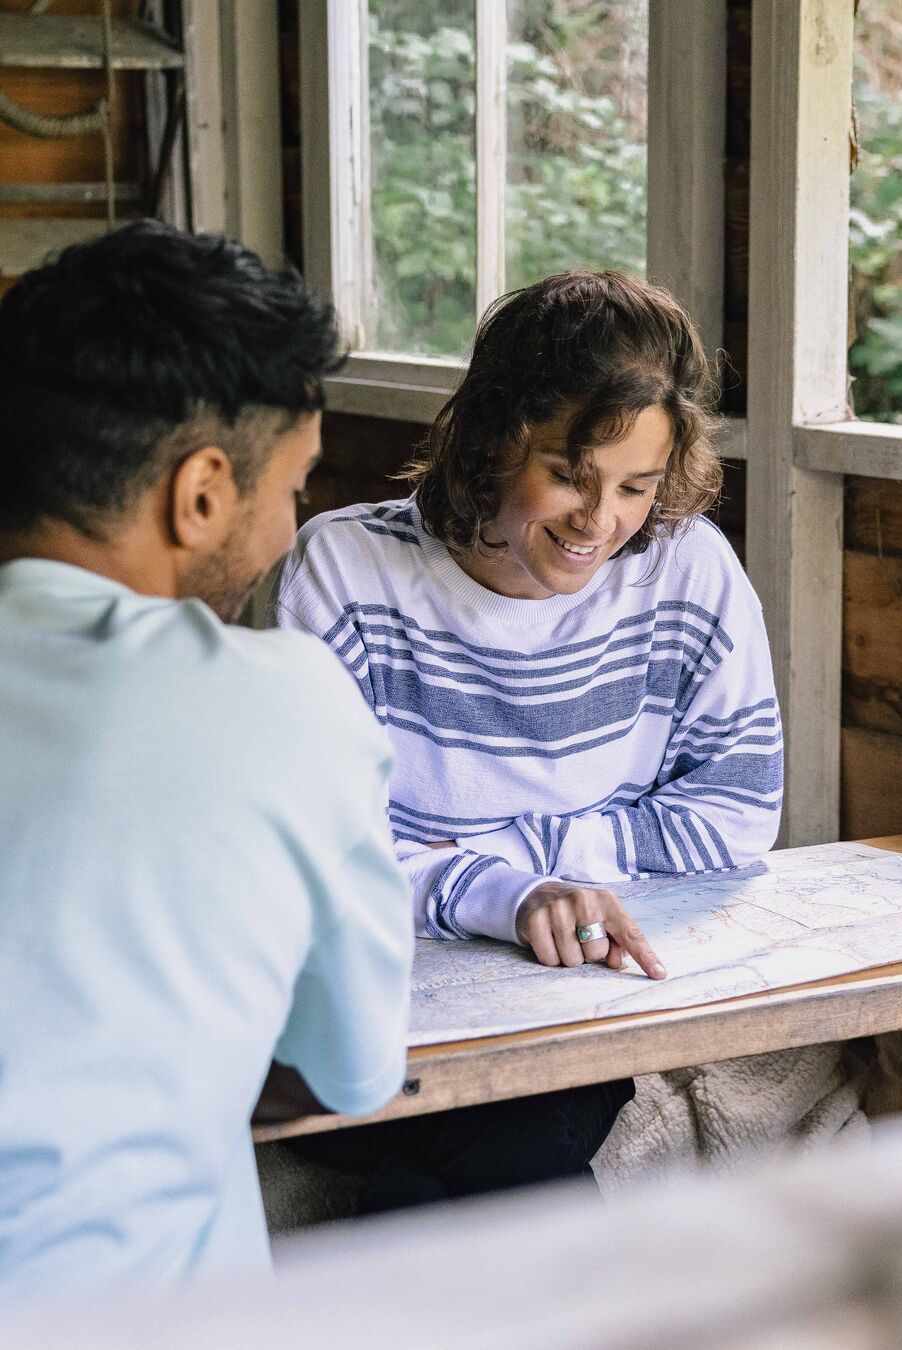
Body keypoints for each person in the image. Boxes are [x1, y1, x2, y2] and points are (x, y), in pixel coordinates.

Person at [269, 270, 783, 1207]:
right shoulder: (343, 573)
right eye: (568, 476)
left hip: (574, 993)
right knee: (515, 1136)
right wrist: (504, 893)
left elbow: (737, 812)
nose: (602, 522)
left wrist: (533, 879)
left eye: (637, 485)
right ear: (493, 439)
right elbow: (317, 855)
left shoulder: (688, 568)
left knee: (526, 1118)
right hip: (383, 990)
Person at [0, 222, 414, 1305]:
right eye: (294, 487)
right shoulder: (283, 706)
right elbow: (355, 1065)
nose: (294, 526)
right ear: (200, 493)